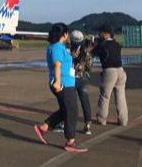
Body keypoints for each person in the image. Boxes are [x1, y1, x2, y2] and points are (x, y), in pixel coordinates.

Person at [34, 23, 88, 152]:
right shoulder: (57, 47)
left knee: (65, 110)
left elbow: (62, 62)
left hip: (65, 83)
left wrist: (71, 57)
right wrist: (58, 82)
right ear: (63, 34)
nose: (68, 36)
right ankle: (70, 142)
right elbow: (57, 65)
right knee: (72, 112)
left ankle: (44, 127)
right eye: (67, 33)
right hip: (63, 83)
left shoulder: (57, 47)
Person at [51, 30, 94, 135]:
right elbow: (89, 67)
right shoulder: (87, 52)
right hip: (82, 78)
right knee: (85, 102)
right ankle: (87, 125)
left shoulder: (67, 51)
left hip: (70, 80)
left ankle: (63, 124)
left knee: (69, 104)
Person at [91, 24, 128, 126]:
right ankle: (123, 121)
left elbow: (91, 54)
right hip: (121, 70)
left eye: (100, 33)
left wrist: (93, 46)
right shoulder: (117, 44)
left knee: (105, 96)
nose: (99, 34)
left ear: (106, 34)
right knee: (120, 96)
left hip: (109, 71)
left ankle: (101, 119)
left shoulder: (102, 45)